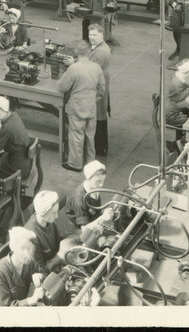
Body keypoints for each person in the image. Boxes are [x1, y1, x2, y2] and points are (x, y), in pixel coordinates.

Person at [57, 41, 105, 172]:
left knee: (76, 135)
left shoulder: (74, 68)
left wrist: (64, 71)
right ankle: (90, 163)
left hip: (77, 107)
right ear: (89, 52)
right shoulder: (96, 67)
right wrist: (92, 99)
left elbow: (62, 87)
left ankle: (75, 164)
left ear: (76, 52)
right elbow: (101, 89)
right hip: (91, 106)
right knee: (90, 135)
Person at [0, 227, 44, 306]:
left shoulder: (29, 262)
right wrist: (31, 300)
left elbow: (44, 273)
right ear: (13, 248)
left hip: (21, 304)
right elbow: (7, 306)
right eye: (22, 248)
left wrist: (41, 276)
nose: (26, 254)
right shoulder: (0, 272)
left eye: (29, 248)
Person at [24, 190, 77, 272]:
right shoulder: (31, 237)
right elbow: (40, 271)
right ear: (43, 213)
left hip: (56, 260)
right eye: (53, 213)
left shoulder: (48, 221)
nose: (57, 217)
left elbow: (56, 241)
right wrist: (59, 257)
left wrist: (73, 237)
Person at [162, 58, 189, 154]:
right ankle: (180, 143)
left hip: (179, 109)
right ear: (187, 72)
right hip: (171, 115)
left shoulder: (182, 78)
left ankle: (181, 140)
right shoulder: (177, 84)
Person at [0, 95, 31, 179]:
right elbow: (3, 132)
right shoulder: (14, 115)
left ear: (4, 110)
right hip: (24, 163)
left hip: (17, 170)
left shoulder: (7, 128)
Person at [86, 25, 112, 157]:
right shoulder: (96, 47)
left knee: (98, 115)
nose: (91, 37)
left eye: (94, 35)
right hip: (99, 83)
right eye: (90, 35)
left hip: (97, 86)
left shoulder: (100, 51)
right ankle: (99, 145)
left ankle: (100, 147)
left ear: (102, 35)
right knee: (98, 114)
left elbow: (90, 70)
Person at [63, 160, 107, 236]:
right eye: (98, 181)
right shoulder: (80, 199)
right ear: (88, 178)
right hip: (76, 230)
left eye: (103, 181)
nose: (101, 185)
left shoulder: (93, 188)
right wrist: (103, 217)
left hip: (90, 220)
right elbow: (85, 229)